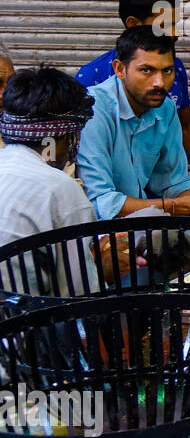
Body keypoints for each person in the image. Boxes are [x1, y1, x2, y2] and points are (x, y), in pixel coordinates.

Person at [78, 26, 190, 221]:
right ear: (120, 69)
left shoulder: (165, 108)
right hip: (105, 230)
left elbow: (174, 185)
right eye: (146, 70)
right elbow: (102, 204)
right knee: (158, 236)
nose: (159, 83)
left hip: (152, 218)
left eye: (167, 71)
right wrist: (182, 206)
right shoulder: (93, 108)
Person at [0, 67, 140, 294]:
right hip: (19, 325)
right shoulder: (60, 189)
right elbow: (78, 299)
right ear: (66, 136)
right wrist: (104, 270)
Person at [76, 0, 190, 191]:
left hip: (157, 201)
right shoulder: (92, 82)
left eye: (175, 24)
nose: (174, 33)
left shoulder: (174, 74)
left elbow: (186, 128)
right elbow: (96, 191)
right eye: (164, 25)